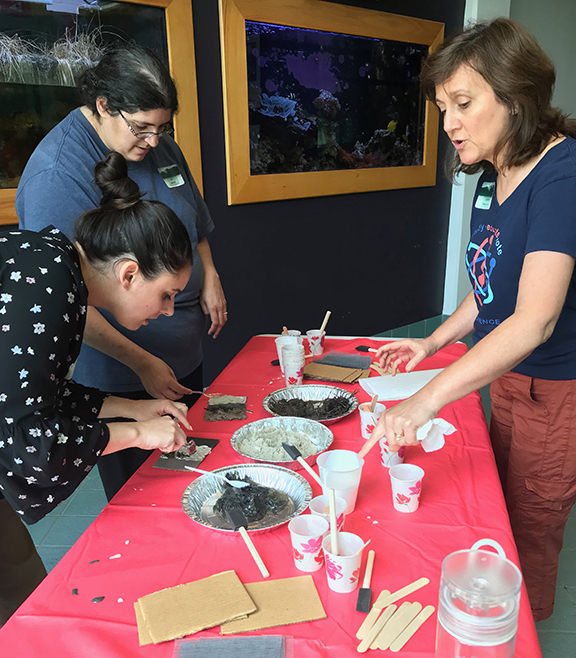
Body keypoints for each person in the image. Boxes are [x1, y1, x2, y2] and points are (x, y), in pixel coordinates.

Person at [359, 18, 576, 622]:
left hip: (555, 389)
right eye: (441, 106)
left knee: (531, 528)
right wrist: (430, 343)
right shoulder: (494, 172)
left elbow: (533, 320)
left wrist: (425, 400)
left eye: (463, 103)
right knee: (497, 509)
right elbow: (488, 286)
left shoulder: (563, 175)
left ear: (515, 97)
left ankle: (517, 632)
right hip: (504, 376)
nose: (449, 122)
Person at [16, 44, 227, 500]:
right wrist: (133, 423)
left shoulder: (157, 148)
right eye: (141, 129)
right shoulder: (55, 184)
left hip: (152, 371)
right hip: (115, 371)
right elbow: (33, 445)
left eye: (162, 129)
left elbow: (62, 405)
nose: (154, 142)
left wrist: (135, 411)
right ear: (103, 106)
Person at [0, 151, 193, 625]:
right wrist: (136, 435)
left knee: (20, 587)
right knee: (18, 601)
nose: (168, 310)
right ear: (129, 273)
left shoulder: (56, 268)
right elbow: (26, 440)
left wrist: (136, 408)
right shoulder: (49, 291)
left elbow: (36, 394)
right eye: (166, 294)